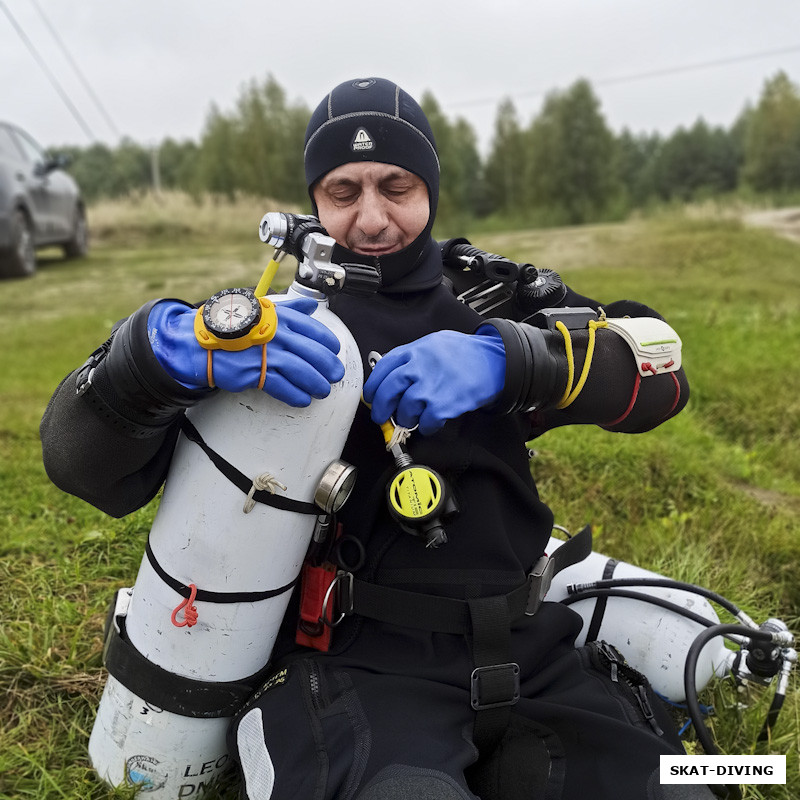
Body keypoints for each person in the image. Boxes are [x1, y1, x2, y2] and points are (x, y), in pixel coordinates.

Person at [40, 77, 713, 800]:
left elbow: (661, 379)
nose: (372, 217)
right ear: (313, 198)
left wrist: (511, 360)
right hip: (365, 672)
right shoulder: (269, 342)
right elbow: (80, 467)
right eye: (343, 190)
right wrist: (147, 357)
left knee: (699, 784)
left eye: (397, 186)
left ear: (429, 189)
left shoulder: (489, 304)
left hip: (536, 651)